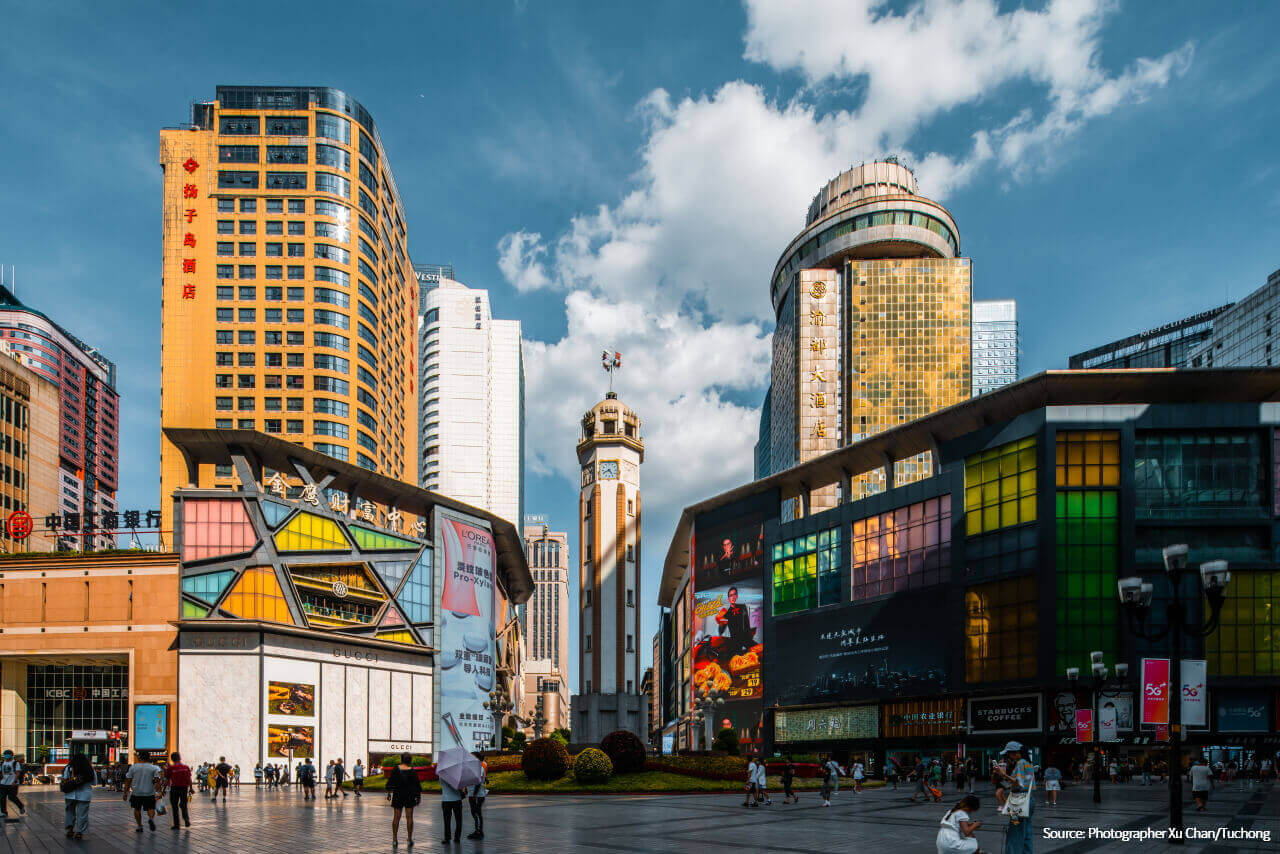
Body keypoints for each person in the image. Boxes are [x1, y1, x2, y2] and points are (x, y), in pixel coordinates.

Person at [999, 742, 1036, 854]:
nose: (1008, 757)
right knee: (1026, 831)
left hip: (1019, 801)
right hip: (1029, 799)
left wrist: (1003, 774)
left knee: (1015, 831)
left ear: (1015, 753)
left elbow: (1018, 783)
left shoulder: (1020, 763)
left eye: (1009, 754)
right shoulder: (1028, 763)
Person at [385, 754, 422, 846]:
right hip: (409, 796)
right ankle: (409, 839)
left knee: (396, 817)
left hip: (398, 795)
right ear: (410, 760)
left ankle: (394, 839)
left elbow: (390, 782)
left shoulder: (396, 769)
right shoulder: (412, 771)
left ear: (401, 759)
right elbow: (416, 785)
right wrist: (418, 796)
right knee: (409, 817)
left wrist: (389, 793)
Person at [124, 750, 163, 833]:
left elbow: (128, 780)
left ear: (139, 757)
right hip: (149, 792)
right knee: (151, 808)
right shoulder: (154, 768)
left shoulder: (133, 767)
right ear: (149, 758)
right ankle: (151, 819)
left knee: (137, 809)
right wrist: (159, 791)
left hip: (136, 792)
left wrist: (125, 792)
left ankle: (139, 826)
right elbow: (157, 781)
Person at [61, 753, 97, 840]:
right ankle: (79, 832)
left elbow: (64, 779)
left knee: (70, 812)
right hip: (84, 795)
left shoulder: (69, 768)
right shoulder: (90, 769)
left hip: (70, 794)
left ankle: (70, 830)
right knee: (82, 814)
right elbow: (94, 783)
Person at [163, 752, 192, 829]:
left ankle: (177, 825)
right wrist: (191, 788)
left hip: (174, 789)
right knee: (183, 805)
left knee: (174, 807)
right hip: (184, 788)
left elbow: (167, 780)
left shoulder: (170, 768)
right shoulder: (186, 767)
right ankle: (186, 819)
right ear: (180, 758)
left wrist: (163, 790)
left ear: (172, 759)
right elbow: (189, 778)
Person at [438, 763, 464, 844]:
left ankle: (447, 838)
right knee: (458, 819)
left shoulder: (441, 774)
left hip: (446, 800)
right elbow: (459, 786)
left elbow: (442, 784)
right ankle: (457, 838)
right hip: (457, 799)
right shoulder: (457, 774)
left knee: (447, 820)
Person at [466, 752, 488, 840]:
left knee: (477, 812)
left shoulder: (480, 767)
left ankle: (479, 832)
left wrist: (474, 794)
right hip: (472, 794)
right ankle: (477, 830)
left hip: (478, 795)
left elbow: (478, 782)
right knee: (473, 812)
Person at [0, 749, 24, 821]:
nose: (7, 756)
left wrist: (15, 781)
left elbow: (18, 773)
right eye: (6, 754)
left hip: (13, 783)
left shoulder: (15, 763)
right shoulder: (2, 763)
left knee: (12, 797)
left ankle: (21, 806)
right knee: (2, 798)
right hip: (3, 783)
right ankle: (4, 812)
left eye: (8, 754)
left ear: (12, 755)